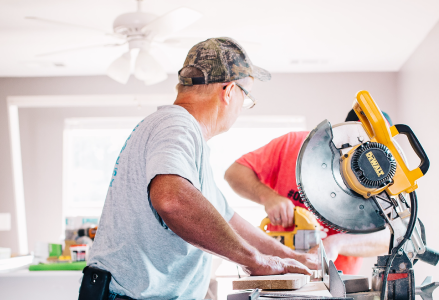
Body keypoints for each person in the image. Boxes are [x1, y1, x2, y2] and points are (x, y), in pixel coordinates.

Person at [87, 37, 317, 300]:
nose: (243, 107)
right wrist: (254, 260)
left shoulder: (180, 135)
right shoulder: (177, 124)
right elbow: (172, 200)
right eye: (246, 97)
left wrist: (289, 257)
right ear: (229, 91)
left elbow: (229, 220)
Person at [224, 110, 393, 275]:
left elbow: (390, 238)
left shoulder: (383, 181)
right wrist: (267, 197)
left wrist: (337, 243)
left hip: (336, 282)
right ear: (342, 131)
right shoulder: (294, 144)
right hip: (278, 271)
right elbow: (234, 173)